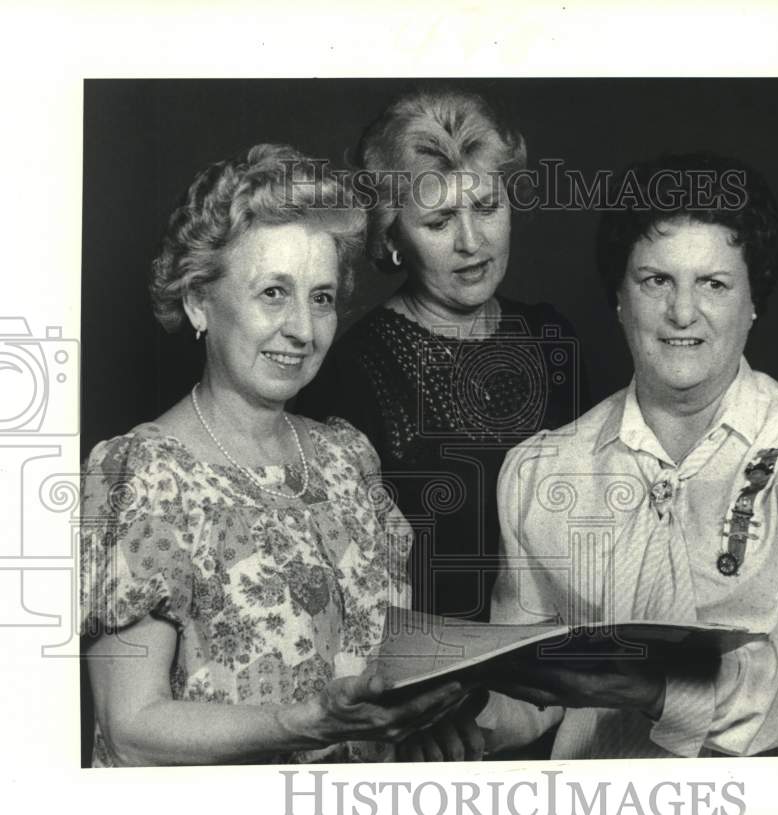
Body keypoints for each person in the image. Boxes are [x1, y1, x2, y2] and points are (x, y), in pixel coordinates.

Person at [79, 143, 485, 766]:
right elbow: (131, 728)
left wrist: (423, 724)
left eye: (321, 297)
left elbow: (380, 676)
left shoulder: (348, 457)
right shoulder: (142, 475)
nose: (302, 327)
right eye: (273, 292)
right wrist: (306, 724)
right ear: (198, 302)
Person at [477, 153, 778, 758]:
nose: (682, 312)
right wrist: (462, 723)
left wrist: (660, 688)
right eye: (655, 281)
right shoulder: (539, 471)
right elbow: (532, 690)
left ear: (753, 302)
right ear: (619, 298)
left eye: (713, 284)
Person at [298, 88, 589, 624]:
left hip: (572, 663)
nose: (471, 241)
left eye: (487, 207)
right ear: (392, 237)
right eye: (439, 222)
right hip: (439, 675)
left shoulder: (551, 337)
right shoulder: (355, 372)